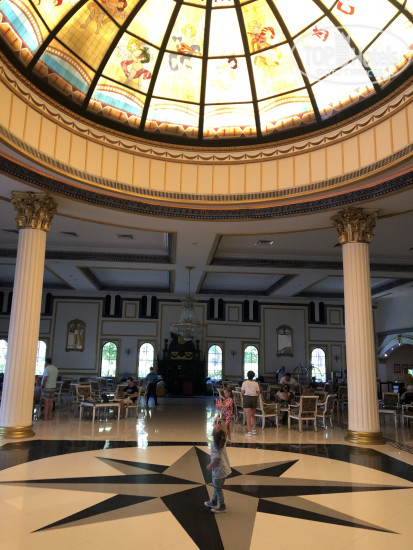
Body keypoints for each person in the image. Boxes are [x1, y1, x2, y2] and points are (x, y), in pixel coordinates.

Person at [204, 424, 231, 514]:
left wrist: (210, 465)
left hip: (218, 471)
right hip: (225, 469)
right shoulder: (223, 441)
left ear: (213, 435)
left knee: (218, 489)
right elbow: (222, 433)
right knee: (217, 487)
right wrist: (223, 425)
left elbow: (216, 458)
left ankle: (222, 506)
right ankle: (214, 501)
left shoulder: (214, 445)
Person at [241, 370, 260, 437]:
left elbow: (242, 392)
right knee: (253, 415)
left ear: (247, 375)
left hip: (247, 398)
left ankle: (249, 432)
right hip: (254, 398)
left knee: (248, 416)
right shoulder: (256, 383)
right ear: (253, 376)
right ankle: (254, 430)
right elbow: (258, 392)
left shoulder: (244, 383)